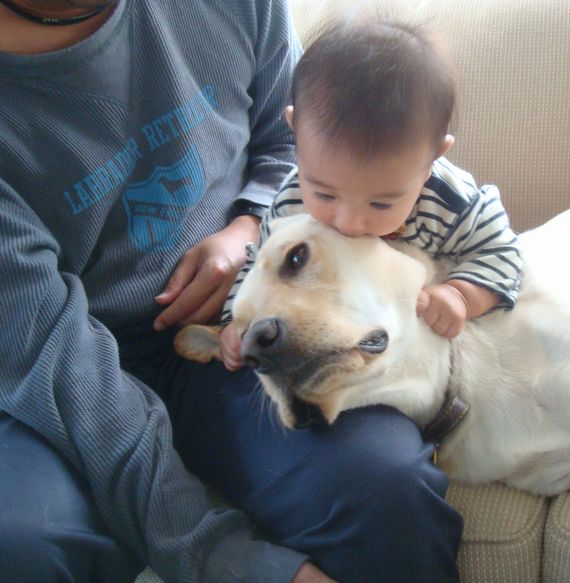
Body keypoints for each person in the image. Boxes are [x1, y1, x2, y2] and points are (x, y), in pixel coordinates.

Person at [0, 2, 463, 582]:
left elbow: (294, 143)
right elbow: (50, 356)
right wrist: (222, 558)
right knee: (22, 546)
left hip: (230, 342)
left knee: (387, 491)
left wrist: (248, 225)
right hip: (45, 365)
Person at [218, 16, 522, 367]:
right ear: (294, 130)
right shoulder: (292, 201)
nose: (348, 223)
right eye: (325, 195)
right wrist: (236, 321)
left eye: (380, 204)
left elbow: (502, 252)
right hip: (331, 330)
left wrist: (462, 295)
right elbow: (260, 262)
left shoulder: (451, 204)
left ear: (433, 158)